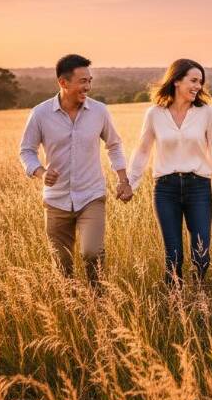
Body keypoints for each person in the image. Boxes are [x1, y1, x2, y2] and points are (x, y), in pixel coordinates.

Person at [19, 54, 132, 288]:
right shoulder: (40, 114)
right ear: (63, 82)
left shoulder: (99, 112)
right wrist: (41, 172)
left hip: (91, 196)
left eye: (89, 81)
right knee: (62, 263)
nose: (88, 87)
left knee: (92, 253)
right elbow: (26, 151)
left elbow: (114, 145)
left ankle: (99, 300)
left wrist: (123, 180)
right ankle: (71, 304)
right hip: (56, 200)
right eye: (82, 81)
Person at [128, 59, 212, 286]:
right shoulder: (154, 113)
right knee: (173, 255)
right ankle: (175, 301)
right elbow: (143, 150)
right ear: (176, 80)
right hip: (166, 189)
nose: (198, 86)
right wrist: (130, 183)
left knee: (201, 254)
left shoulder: (206, 113)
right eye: (193, 81)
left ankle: (200, 296)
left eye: (200, 82)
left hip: (199, 188)